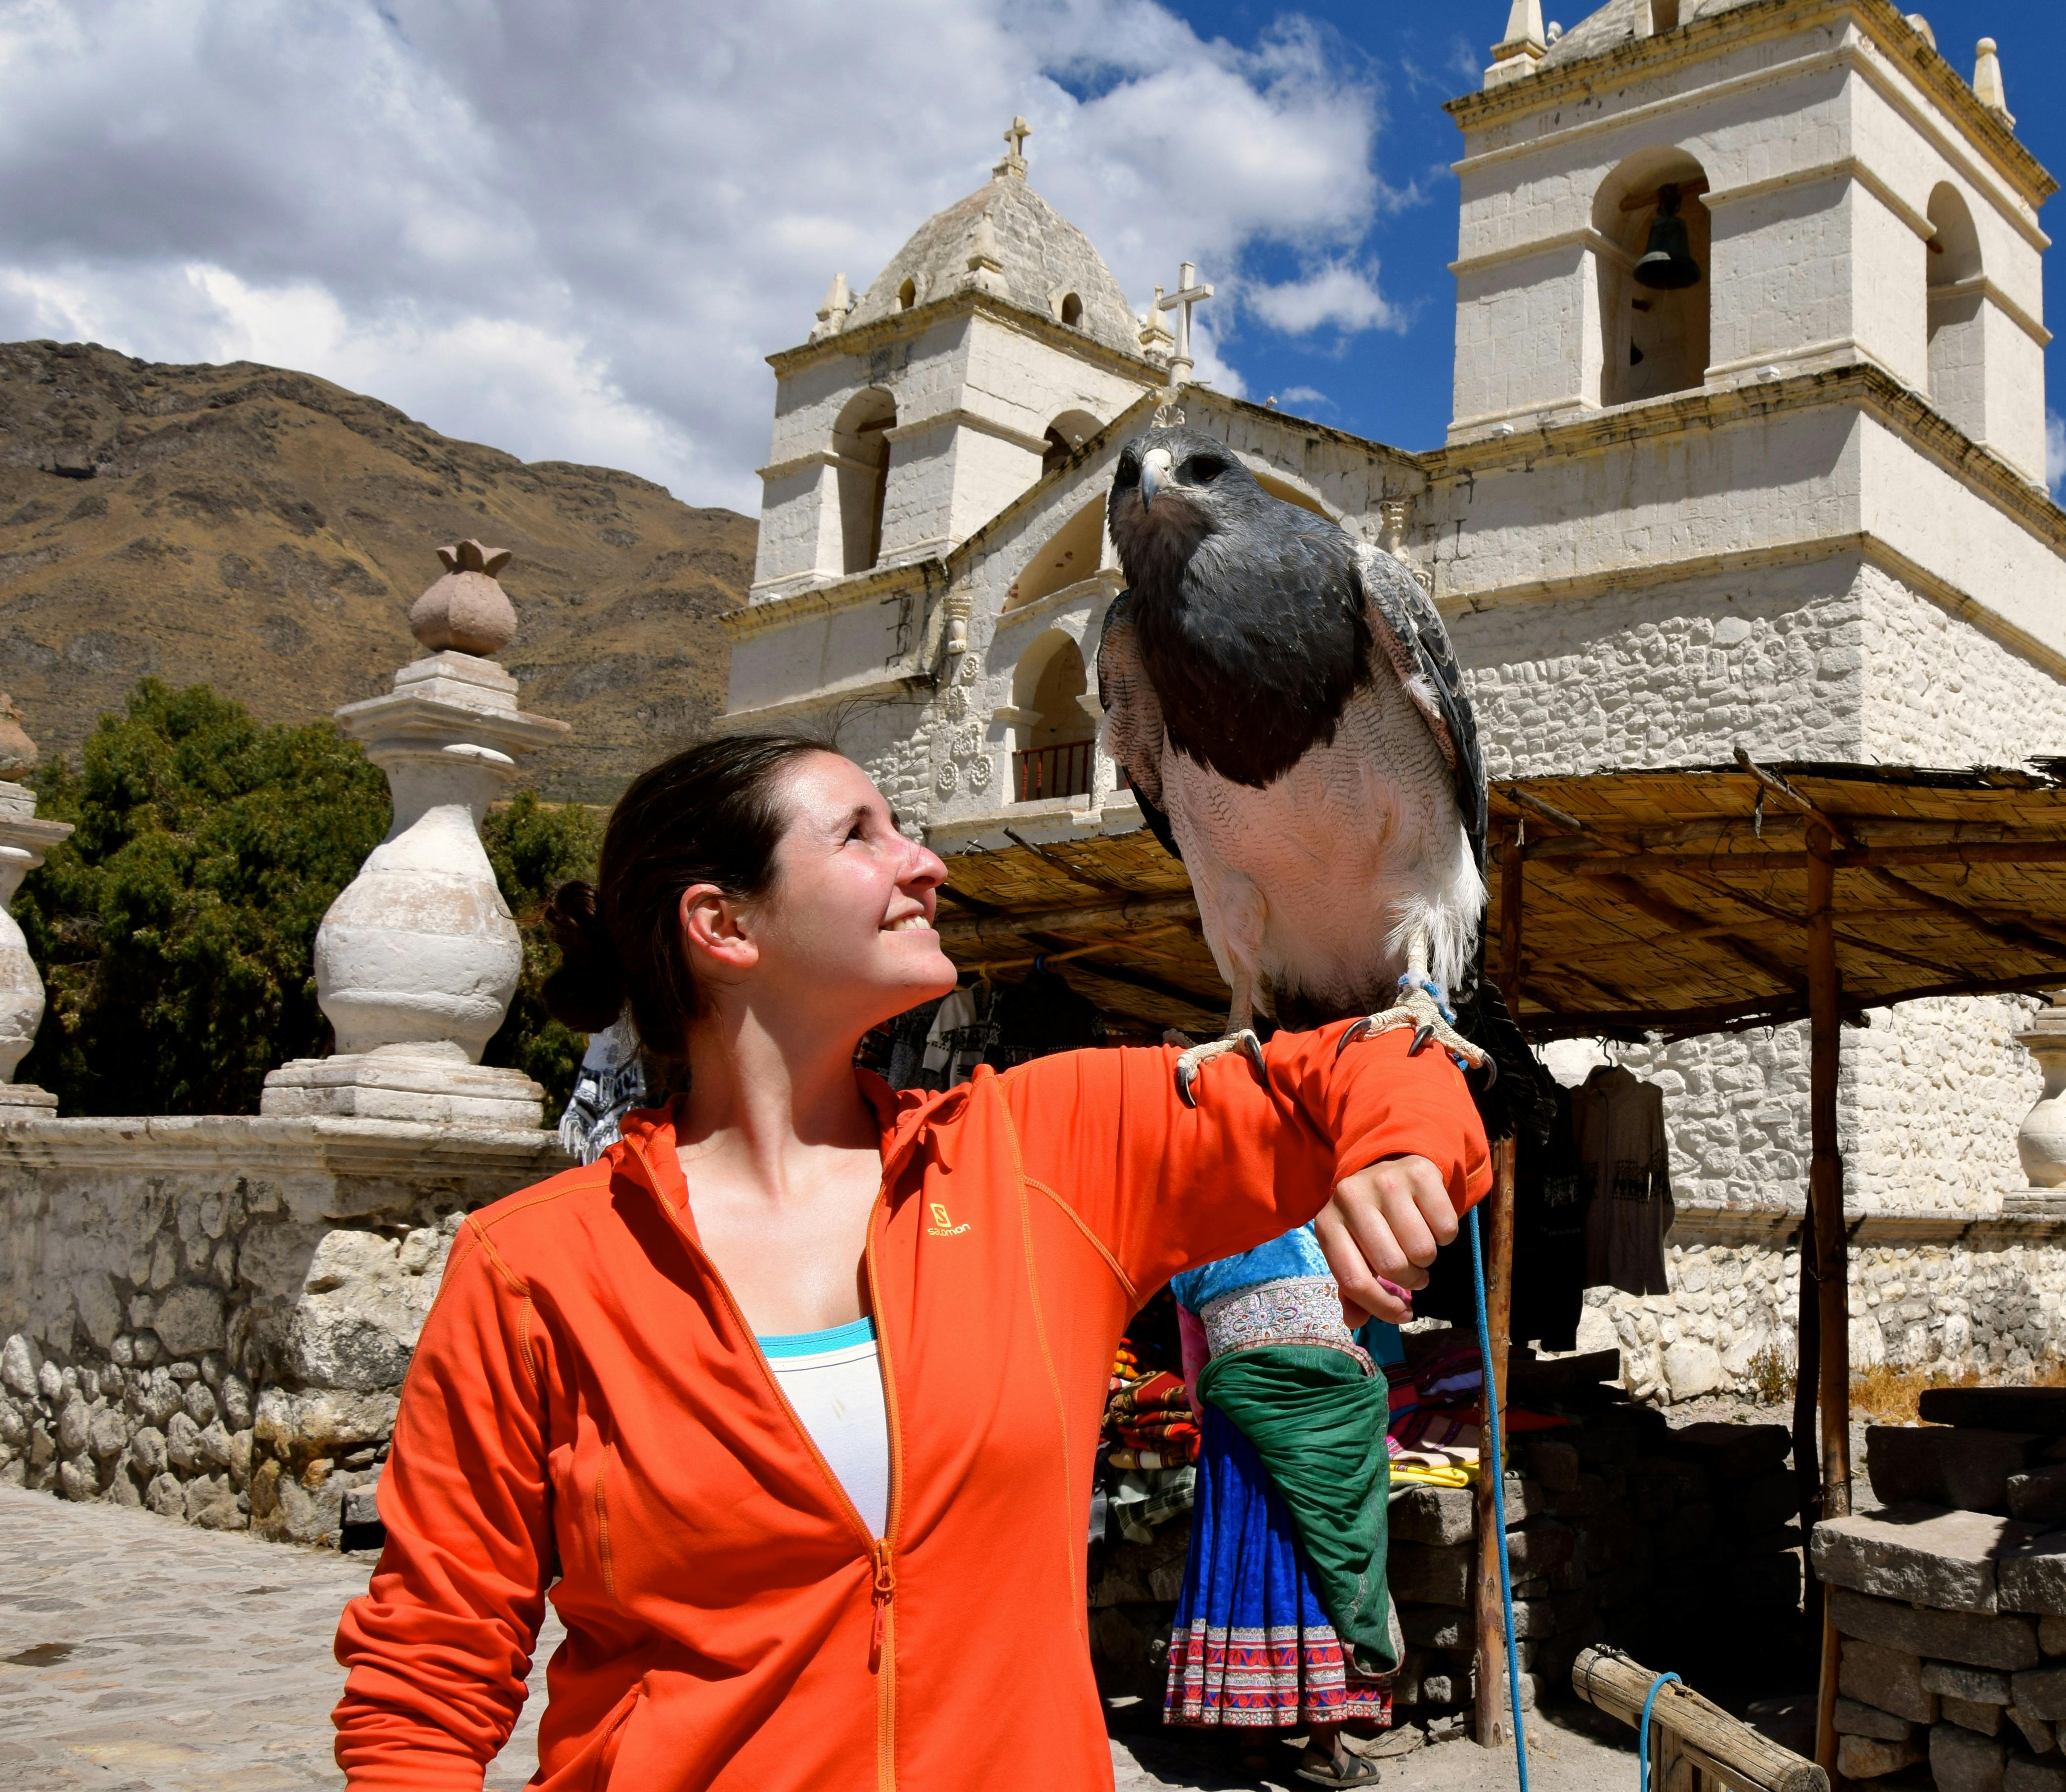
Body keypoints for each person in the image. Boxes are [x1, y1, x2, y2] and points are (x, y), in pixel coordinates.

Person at [330, 734, 1487, 1791]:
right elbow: (424, 1679)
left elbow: (1374, 1061)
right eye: (860, 833)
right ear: (725, 926)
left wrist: (1395, 1148)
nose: (925, 862)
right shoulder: (533, 1269)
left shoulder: (1042, 1155)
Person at [1166, 1225, 1404, 1788]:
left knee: (1250, 1551)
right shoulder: (1324, 1220)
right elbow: (1386, 1303)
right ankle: (1325, 1745)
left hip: (1238, 1423)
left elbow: (1197, 1381)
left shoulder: (1188, 1249)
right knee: (1319, 1550)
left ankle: (1253, 1739)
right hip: (1323, 1411)